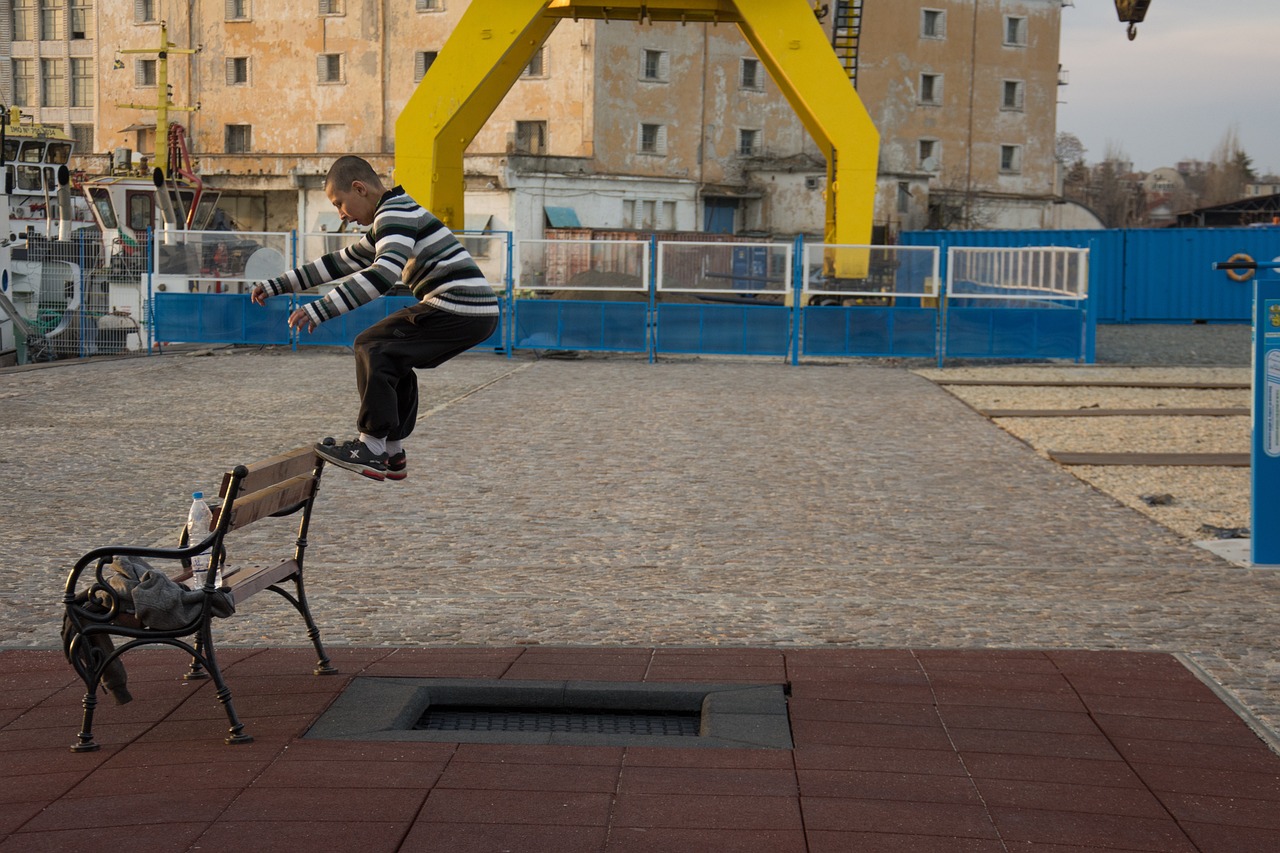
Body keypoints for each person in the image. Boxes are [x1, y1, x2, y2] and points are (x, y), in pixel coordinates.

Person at [252, 155, 498, 481]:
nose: (342, 215)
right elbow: (340, 262)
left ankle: (371, 445)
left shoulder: (394, 215)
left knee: (372, 346)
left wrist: (321, 308)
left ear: (360, 188)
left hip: (459, 306)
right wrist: (279, 284)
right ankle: (392, 453)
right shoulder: (395, 214)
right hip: (469, 311)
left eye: (341, 204)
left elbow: (383, 274)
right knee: (393, 358)